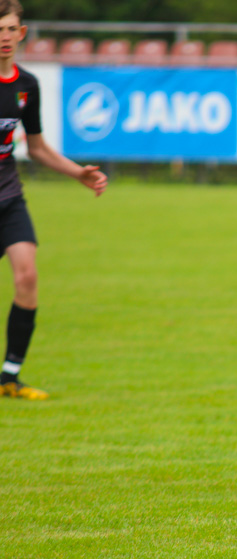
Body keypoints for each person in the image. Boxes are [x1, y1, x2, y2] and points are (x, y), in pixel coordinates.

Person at [0, 0, 107, 400]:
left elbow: (38, 148)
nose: (5, 37)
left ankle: (9, 376)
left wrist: (78, 172)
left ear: (22, 33)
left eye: (11, 29)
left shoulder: (27, 85)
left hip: (9, 194)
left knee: (27, 276)